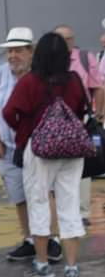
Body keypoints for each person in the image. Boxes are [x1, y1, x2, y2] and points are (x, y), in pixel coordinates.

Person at [2, 31, 88, 277]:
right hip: (72, 151)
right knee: (69, 205)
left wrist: (25, 130)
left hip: (39, 150)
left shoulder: (30, 82)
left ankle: (43, 265)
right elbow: (83, 109)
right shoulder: (74, 80)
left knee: (38, 202)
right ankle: (72, 269)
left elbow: (9, 113)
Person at [0, 28, 58, 263]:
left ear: (31, 51)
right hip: (9, 149)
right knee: (19, 196)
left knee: (45, 193)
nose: (12, 55)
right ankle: (30, 239)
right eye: (9, 51)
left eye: (18, 50)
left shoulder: (43, 74)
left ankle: (52, 238)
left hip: (40, 147)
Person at [54, 25, 102, 224]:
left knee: (81, 167)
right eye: (62, 39)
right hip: (56, 123)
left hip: (80, 120)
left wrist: (99, 113)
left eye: (69, 39)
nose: (67, 43)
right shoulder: (50, 62)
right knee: (59, 168)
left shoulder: (84, 57)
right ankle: (64, 210)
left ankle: (82, 213)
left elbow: (97, 86)